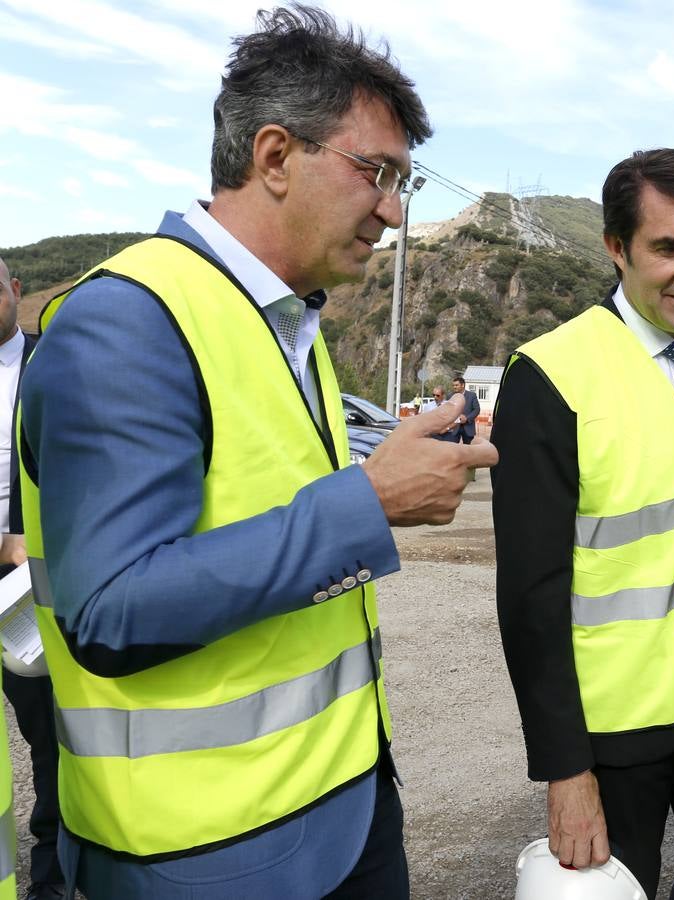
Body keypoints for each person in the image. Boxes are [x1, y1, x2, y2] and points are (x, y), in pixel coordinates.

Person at [18, 7, 496, 898]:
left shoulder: (291, 324)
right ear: (274, 156)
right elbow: (111, 610)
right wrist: (371, 503)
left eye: (403, 183)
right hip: (200, 853)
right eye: (377, 173)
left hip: (340, 808)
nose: (392, 211)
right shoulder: (127, 321)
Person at [492, 148, 674, 900]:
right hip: (615, 721)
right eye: (669, 248)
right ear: (615, 248)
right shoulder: (552, 373)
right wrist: (565, 770)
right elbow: (529, 593)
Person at [0, 259, 49, 900]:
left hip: (28, 577)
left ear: (14, 290)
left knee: (50, 731)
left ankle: (56, 874)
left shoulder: (55, 362)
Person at [450, 376, 480, 444]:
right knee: (453, 449)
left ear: (462, 385)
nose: (454, 387)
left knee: (468, 450)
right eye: (453, 385)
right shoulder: (450, 396)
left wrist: (466, 418)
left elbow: (477, 409)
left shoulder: (472, 395)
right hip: (454, 427)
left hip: (468, 427)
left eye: (456, 385)